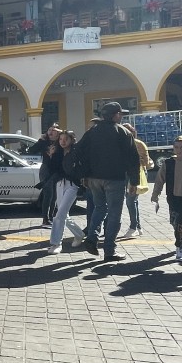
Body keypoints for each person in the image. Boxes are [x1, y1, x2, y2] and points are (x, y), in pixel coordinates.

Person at [75, 102, 140, 261]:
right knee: (114, 214)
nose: (121, 116)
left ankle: (91, 238)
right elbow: (133, 159)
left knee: (99, 208)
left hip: (94, 179)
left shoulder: (92, 131)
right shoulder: (123, 132)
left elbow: (79, 152)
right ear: (115, 115)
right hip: (115, 179)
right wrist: (134, 181)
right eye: (120, 113)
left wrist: (84, 175)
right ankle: (109, 250)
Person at [46, 130, 85, 254]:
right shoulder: (57, 152)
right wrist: (51, 156)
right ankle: (79, 234)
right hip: (59, 183)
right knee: (63, 215)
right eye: (61, 139)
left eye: (66, 139)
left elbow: (83, 167)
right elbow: (52, 169)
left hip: (73, 185)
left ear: (72, 140)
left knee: (59, 214)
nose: (63, 141)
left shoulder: (76, 152)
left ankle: (56, 243)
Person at [150, 136, 182, 260]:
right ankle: (179, 244)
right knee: (175, 224)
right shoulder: (168, 163)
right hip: (173, 198)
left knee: (180, 223)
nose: (179, 150)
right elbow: (159, 180)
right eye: (176, 147)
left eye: (181, 147)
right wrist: (155, 195)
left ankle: (179, 246)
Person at [121, 123, 152, 238]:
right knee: (133, 201)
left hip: (137, 174)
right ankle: (138, 227)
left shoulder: (139, 144)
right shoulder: (120, 144)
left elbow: (146, 163)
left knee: (130, 201)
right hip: (125, 174)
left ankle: (133, 227)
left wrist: (136, 159)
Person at [28, 123, 61, 227]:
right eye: (49, 130)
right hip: (46, 169)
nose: (51, 132)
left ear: (58, 132)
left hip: (57, 170)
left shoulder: (61, 142)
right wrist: (40, 140)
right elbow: (31, 150)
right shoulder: (44, 142)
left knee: (55, 195)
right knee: (48, 194)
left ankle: (51, 217)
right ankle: (45, 219)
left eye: (54, 130)